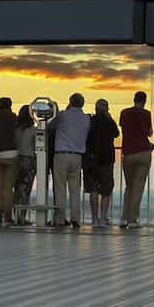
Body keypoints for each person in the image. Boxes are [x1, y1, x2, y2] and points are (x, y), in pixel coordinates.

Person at [48, 92, 89, 228]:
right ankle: (76, 218)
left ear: (70, 102)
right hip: (77, 156)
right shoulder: (86, 118)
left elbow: (50, 125)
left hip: (61, 154)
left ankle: (60, 218)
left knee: (60, 187)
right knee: (75, 189)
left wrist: (64, 110)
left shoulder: (63, 115)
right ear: (82, 104)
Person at [119, 91, 154, 229]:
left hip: (128, 153)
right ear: (144, 101)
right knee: (138, 188)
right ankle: (133, 219)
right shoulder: (146, 114)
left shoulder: (124, 113)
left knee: (129, 187)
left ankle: (124, 218)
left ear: (134, 99)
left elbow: (124, 129)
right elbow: (148, 132)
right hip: (143, 152)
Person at [85, 98, 119, 227]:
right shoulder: (108, 121)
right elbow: (116, 133)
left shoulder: (91, 120)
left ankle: (94, 219)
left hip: (92, 158)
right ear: (106, 108)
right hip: (107, 159)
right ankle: (103, 218)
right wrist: (110, 118)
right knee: (106, 189)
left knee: (93, 188)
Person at [0, 97, 19, 226]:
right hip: (12, 154)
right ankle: (8, 216)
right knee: (8, 188)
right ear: (10, 106)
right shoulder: (14, 118)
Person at [13, 106, 37, 225]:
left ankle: (16, 216)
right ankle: (22, 217)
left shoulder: (15, 129)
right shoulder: (33, 130)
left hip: (16, 160)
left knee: (17, 190)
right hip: (29, 161)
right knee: (26, 190)